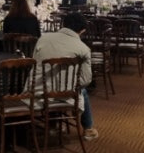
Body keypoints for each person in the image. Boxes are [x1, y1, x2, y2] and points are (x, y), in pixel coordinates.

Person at [32, 12, 98, 141]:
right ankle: (88, 129)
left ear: (63, 24)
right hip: (65, 94)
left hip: (38, 91)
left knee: (53, 83)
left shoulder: (43, 39)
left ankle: (53, 126)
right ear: (83, 30)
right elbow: (86, 80)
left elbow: (34, 63)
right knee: (81, 91)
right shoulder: (83, 48)